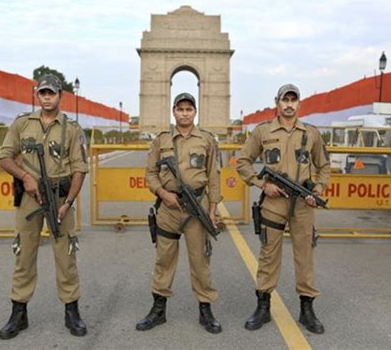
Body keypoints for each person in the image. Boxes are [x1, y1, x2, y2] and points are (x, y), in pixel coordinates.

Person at [0, 74, 89, 339]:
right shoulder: (23, 124)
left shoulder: (72, 129)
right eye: (43, 93)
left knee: (66, 256)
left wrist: (68, 203)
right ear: (37, 95)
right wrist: (25, 177)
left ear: (61, 95)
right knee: (24, 255)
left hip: (60, 198)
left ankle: (71, 311)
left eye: (52, 93)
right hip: (29, 199)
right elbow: (4, 156)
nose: (47, 97)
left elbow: (80, 168)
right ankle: (19, 312)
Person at [237, 84, 330, 334]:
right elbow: (243, 161)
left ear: (299, 104)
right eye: (284, 100)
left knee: (305, 256)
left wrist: (318, 190)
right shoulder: (263, 131)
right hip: (274, 202)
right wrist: (261, 184)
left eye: (293, 100)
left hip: (302, 204)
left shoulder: (311, 133)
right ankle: (263, 306)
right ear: (277, 102)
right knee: (268, 255)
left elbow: (323, 166)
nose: (289, 104)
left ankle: (307, 309)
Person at [136, 93, 223, 334]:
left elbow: (214, 177)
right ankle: (158, 310)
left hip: (197, 207)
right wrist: (164, 194)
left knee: (200, 261)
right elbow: (150, 173)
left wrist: (213, 210)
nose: (185, 113)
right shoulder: (161, 140)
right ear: (173, 111)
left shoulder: (206, 140)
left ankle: (205, 310)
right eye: (180, 109)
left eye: (189, 109)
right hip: (168, 208)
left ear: (195, 112)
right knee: (164, 259)